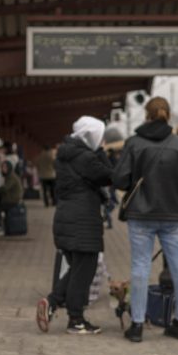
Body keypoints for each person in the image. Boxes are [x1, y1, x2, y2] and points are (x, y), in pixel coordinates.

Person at [112, 96, 178, 343]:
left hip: (141, 215)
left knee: (140, 267)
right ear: (168, 115)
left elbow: (119, 180)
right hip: (175, 216)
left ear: (146, 116)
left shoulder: (134, 143)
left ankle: (137, 326)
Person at [36, 115, 113, 335]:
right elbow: (110, 176)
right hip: (83, 221)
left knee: (76, 271)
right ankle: (76, 320)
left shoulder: (66, 156)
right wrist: (101, 152)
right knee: (84, 273)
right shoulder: (86, 158)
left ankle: (50, 302)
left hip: (66, 220)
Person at [0, 159, 23, 232]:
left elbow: (5, 188)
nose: (3, 169)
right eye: (2, 168)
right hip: (11, 198)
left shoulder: (11, 177)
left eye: (5, 168)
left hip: (12, 199)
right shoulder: (10, 175)